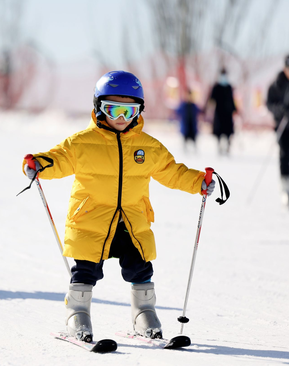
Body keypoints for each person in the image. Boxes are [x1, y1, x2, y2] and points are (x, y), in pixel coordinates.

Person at [22, 71, 216, 342]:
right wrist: (39, 163)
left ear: (139, 112)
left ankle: (144, 314)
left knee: (141, 268)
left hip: (131, 222)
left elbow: (172, 171)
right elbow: (60, 158)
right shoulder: (82, 143)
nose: (121, 118)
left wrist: (198, 182)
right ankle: (77, 316)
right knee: (86, 271)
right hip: (90, 221)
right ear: (98, 108)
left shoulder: (148, 147)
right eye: (113, 109)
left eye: (129, 111)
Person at [266, 55, 289, 203]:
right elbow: (269, 104)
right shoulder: (276, 84)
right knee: (284, 155)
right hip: (283, 126)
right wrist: (281, 110)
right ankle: (284, 186)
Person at [208, 68, 237, 155]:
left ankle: (228, 146)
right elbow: (211, 99)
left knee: (228, 131)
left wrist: (235, 109)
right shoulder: (216, 87)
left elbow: (232, 100)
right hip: (219, 112)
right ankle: (219, 146)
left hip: (228, 112)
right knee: (219, 130)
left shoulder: (229, 87)